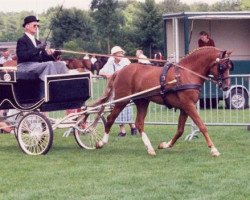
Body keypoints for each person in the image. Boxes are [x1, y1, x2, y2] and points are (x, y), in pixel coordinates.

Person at [99, 46, 137, 137]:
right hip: (114, 90)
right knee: (116, 109)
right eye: (117, 53)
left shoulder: (126, 62)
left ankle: (133, 126)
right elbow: (101, 72)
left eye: (120, 53)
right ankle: (123, 130)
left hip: (126, 89)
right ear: (113, 55)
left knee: (127, 108)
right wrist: (108, 75)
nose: (120, 55)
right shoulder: (110, 61)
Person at [16, 15, 68, 81]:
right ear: (27, 26)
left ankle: (64, 86)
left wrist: (55, 54)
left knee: (61, 64)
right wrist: (38, 48)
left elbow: (45, 58)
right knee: (49, 64)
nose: (36, 27)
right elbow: (22, 56)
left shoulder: (38, 42)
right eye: (34, 25)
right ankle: (50, 88)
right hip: (24, 66)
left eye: (38, 26)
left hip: (37, 65)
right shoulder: (22, 40)